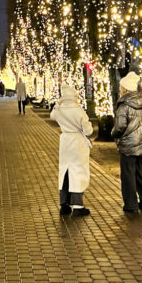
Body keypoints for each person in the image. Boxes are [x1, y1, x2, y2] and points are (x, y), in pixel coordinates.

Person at [112, 70, 142, 213]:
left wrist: (113, 134)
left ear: (125, 89)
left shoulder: (124, 106)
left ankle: (131, 204)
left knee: (128, 176)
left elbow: (120, 127)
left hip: (128, 146)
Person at [51, 85, 95, 217]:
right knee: (78, 171)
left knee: (64, 171)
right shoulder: (78, 110)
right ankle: (77, 205)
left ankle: (64, 204)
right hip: (77, 142)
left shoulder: (59, 109)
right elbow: (88, 131)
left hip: (65, 142)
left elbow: (52, 116)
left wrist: (58, 104)